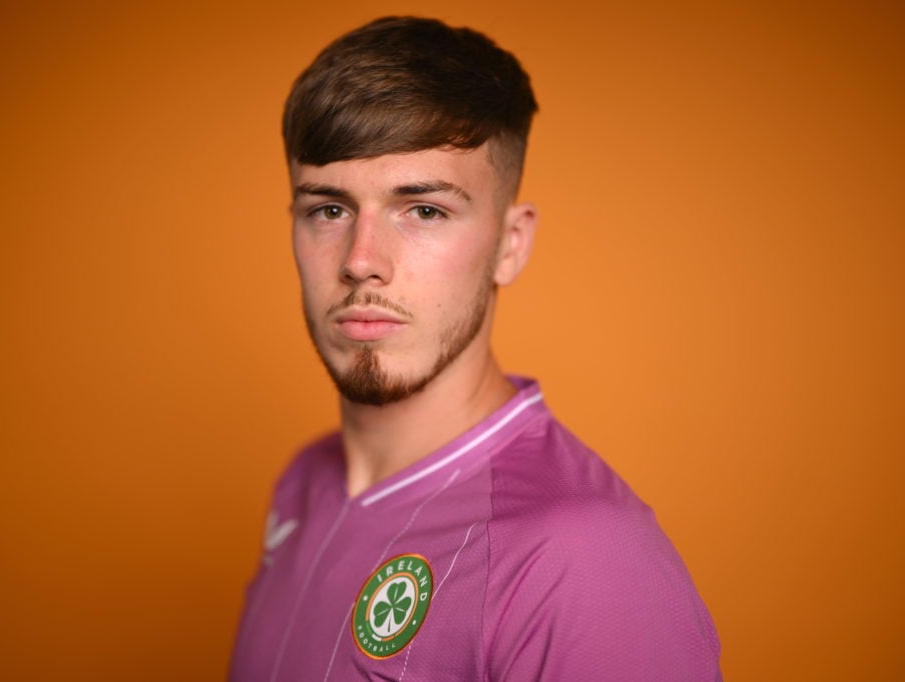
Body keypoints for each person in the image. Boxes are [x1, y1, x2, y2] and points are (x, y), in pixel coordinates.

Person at [230, 16, 721, 681]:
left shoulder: (585, 560)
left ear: (510, 244)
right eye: (329, 210)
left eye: (424, 210)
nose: (361, 262)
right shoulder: (303, 483)